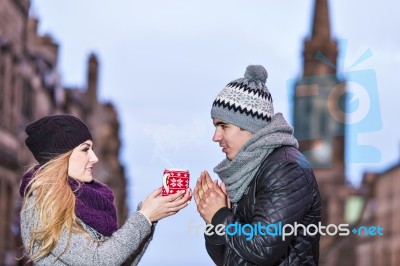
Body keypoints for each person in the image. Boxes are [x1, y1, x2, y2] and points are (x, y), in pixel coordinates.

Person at [20, 114, 192, 265]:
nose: (94, 158)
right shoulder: (43, 201)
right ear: (61, 156)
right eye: (85, 149)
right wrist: (144, 217)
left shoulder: (86, 200)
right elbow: (98, 261)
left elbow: (120, 261)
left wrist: (151, 216)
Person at [194, 65, 321, 265]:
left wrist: (219, 216)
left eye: (223, 126)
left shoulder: (286, 168)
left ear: (250, 126)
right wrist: (213, 221)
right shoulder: (245, 171)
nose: (215, 137)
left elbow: (263, 247)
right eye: (215, 126)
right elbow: (226, 258)